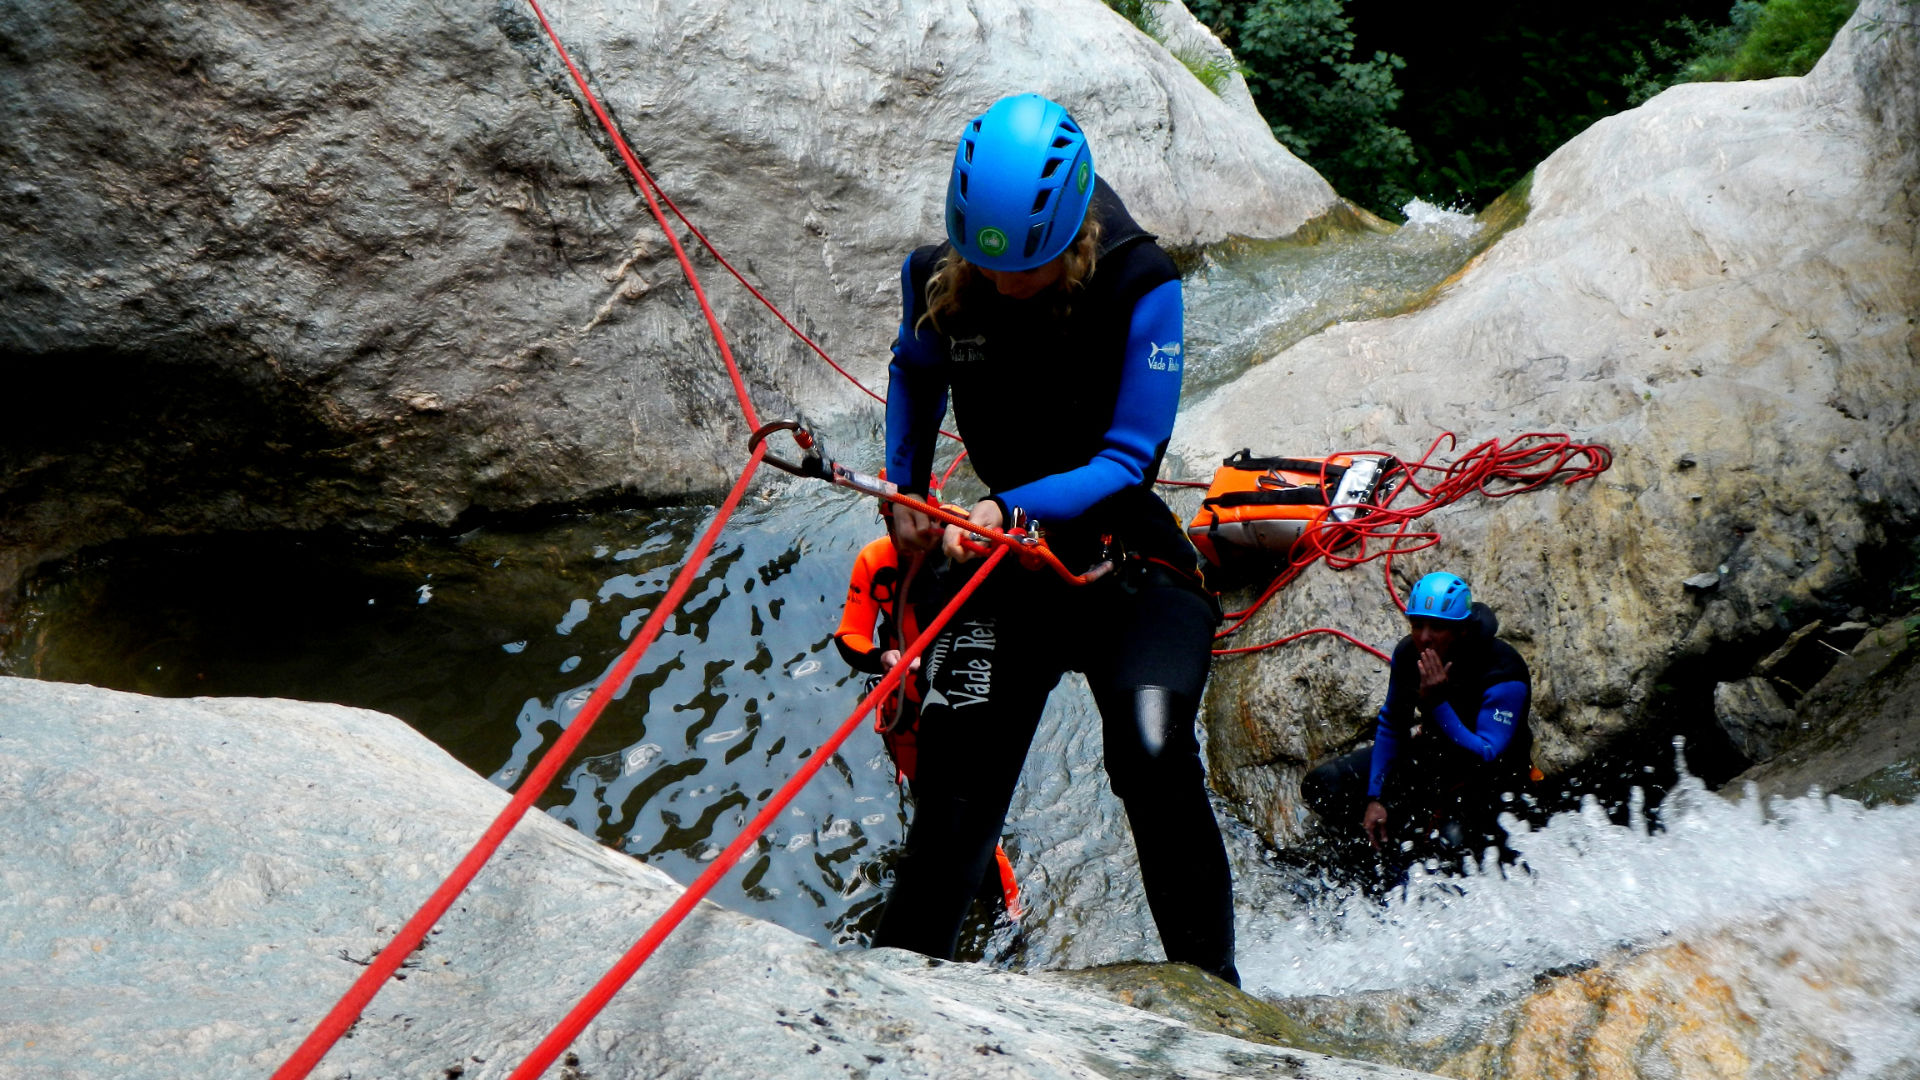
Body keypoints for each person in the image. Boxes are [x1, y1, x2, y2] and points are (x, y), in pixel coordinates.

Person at [870, 93, 1236, 984]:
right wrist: (904, 490)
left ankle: (1218, 1002)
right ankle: (895, 998)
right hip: (1001, 571)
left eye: (1024, 271)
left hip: (1128, 563)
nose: (1001, 286)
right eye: (984, 266)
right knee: (952, 805)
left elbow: (1130, 456)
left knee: (1150, 753)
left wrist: (1014, 509)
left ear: (1070, 237)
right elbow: (913, 371)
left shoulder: (1140, 284)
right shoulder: (947, 273)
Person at [1301, 571, 1534, 871]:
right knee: (1324, 785)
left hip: (1488, 780)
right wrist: (1376, 796)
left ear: (1461, 630)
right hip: (1433, 758)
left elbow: (1486, 753)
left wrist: (1438, 704)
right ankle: (1367, 856)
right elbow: (1393, 723)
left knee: (1452, 854)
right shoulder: (1409, 653)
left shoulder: (1503, 672)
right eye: (1416, 625)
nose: (1424, 637)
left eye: (1437, 627)